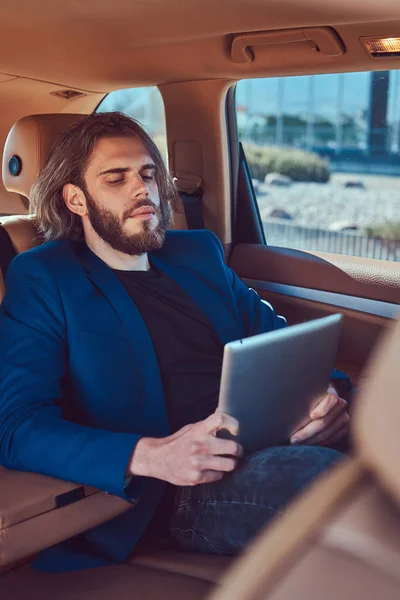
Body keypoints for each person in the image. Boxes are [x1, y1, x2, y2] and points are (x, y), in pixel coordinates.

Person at [0, 112, 350, 573]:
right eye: (115, 178)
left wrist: (329, 399)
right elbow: (16, 425)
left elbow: (286, 345)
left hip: (272, 440)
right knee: (326, 483)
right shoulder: (46, 277)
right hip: (181, 486)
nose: (141, 189)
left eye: (148, 173)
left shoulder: (197, 254)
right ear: (77, 200)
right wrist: (151, 454)